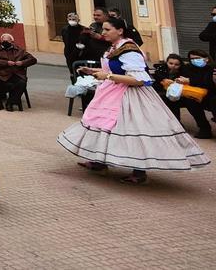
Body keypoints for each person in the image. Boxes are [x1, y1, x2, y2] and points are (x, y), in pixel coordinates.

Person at [58, 17, 210, 183]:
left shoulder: (130, 50)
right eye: (103, 29)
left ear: (120, 31)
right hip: (111, 93)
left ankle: (139, 172)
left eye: (107, 29)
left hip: (132, 96)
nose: (103, 33)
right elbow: (115, 68)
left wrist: (107, 76)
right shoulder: (115, 47)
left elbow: (139, 79)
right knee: (101, 125)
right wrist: (93, 70)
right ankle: (98, 162)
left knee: (134, 130)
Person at [153, 53, 213, 139]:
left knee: (192, 102)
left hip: (187, 94)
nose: (173, 66)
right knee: (169, 100)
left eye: (176, 64)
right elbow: (157, 78)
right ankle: (177, 125)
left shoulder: (186, 70)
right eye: (171, 63)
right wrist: (164, 79)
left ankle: (205, 128)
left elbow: (199, 82)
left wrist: (184, 80)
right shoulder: (161, 69)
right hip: (169, 94)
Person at [0, 34, 37, 111]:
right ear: (1, 41)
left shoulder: (19, 50)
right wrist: (6, 63)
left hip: (16, 73)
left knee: (22, 83)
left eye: (7, 41)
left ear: (12, 41)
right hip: (1, 73)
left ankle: (10, 103)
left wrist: (22, 63)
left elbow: (33, 59)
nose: (5, 42)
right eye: (3, 40)